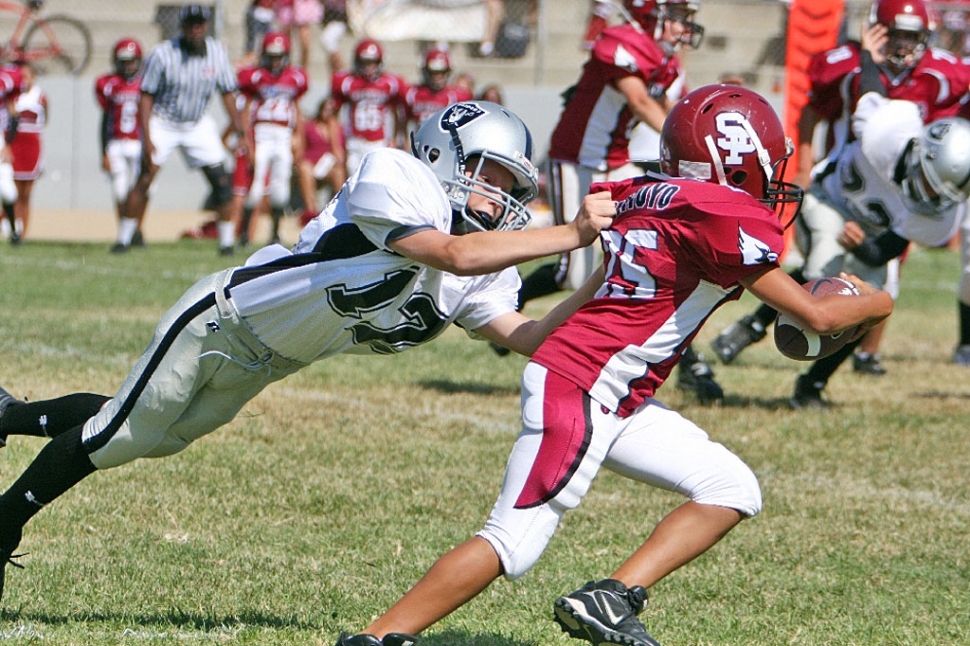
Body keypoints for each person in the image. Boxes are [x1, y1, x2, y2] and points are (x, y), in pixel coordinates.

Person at [333, 85, 892, 646]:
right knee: (514, 540)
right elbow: (815, 317)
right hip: (584, 386)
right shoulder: (718, 214)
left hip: (614, 390)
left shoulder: (642, 192)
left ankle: (611, 597)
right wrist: (878, 302)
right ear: (738, 161)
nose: (771, 183)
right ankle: (377, 637)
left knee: (730, 487)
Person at [0, 101, 616, 602]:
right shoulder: (398, 176)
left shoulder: (483, 264)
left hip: (274, 359)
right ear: (443, 154)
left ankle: (7, 416)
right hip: (226, 319)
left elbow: (529, 338)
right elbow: (450, 255)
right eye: (491, 176)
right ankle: (6, 520)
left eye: (509, 185)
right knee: (122, 435)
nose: (498, 198)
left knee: (152, 431)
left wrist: (602, 274)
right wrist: (570, 234)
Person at [710, 0, 970, 374]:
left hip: (903, 194)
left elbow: (883, 251)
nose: (901, 45)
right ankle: (760, 328)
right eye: (893, 34)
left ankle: (854, 359)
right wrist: (805, 164)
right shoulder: (863, 97)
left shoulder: (941, 76)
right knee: (823, 268)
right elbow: (815, 108)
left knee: (879, 286)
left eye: (911, 37)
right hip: (848, 182)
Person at [516, 0, 718, 402]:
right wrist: (692, 145)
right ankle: (511, 308)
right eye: (677, 15)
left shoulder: (665, 59)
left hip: (616, 163)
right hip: (577, 161)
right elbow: (641, 103)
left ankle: (690, 365)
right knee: (573, 275)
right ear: (650, 13)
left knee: (647, 260)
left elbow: (664, 106)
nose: (685, 26)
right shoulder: (618, 40)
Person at [782, 31, 970, 408]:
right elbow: (868, 93)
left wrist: (862, 245)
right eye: (931, 186)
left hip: (870, 228)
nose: (932, 199)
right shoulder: (888, 130)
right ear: (922, 156)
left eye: (944, 195)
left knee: (872, 302)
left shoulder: (941, 207)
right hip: (833, 199)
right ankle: (754, 323)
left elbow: (883, 250)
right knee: (821, 264)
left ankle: (813, 384)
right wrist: (867, 55)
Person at [120, 4, 245, 256]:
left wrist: (240, 130)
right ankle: (123, 238)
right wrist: (147, 137)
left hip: (197, 122)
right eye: (191, 24)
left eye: (200, 24)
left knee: (222, 180)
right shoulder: (164, 53)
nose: (195, 29)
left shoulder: (217, 54)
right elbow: (146, 96)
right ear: (183, 26)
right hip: (164, 121)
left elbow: (228, 92)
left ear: (206, 26)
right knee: (146, 176)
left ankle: (226, 243)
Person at [238, 31, 309, 245]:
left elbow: (297, 109)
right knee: (256, 184)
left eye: (279, 56)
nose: (276, 61)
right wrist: (246, 139)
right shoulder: (256, 76)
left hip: (283, 134)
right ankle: (243, 234)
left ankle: (275, 232)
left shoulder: (294, 77)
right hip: (261, 132)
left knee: (281, 185)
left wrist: (299, 137)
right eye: (272, 56)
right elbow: (246, 110)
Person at [96, 38, 146, 252]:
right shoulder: (109, 84)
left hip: (139, 143)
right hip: (116, 142)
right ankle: (125, 232)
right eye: (124, 61)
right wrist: (104, 151)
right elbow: (105, 119)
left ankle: (136, 231)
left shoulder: (146, 84)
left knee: (142, 190)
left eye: (131, 61)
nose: (128, 66)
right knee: (119, 192)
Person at [332, 38, 407, 174]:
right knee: (353, 181)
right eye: (364, 62)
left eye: (372, 62)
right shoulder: (348, 82)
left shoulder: (390, 83)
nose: (368, 67)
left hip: (379, 141)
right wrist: (337, 145)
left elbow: (399, 113)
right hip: (355, 141)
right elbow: (333, 116)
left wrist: (395, 139)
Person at [6, 62, 43, 240]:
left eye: (27, 76)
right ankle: (14, 228)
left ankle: (22, 233)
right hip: (13, 145)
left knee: (26, 194)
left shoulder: (41, 97)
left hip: (31, 147)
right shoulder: (11, 96)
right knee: (11, 191)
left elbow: (44, 120)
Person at [295, 95, 346, 225]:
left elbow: (338, 153)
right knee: (304, 168)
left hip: (327, 166)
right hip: (311, 163)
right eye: (325, 109)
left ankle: (340, 209)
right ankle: (310, 210)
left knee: (338, 172)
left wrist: (332, 130)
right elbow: (301, 145)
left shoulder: (338, 129)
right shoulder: (309, 126)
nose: (327, 113)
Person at [403, 47, 473, 133]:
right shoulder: (413, 93)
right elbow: (404, 120)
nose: (437, 77)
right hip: (419, 142)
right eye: (433, 72)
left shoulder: (457, 96)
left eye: (441, 72)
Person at [0, 62, 23, 245]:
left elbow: (13, 113)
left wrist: (7, 143)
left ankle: (14, 232)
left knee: (8, 192)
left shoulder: (6, 78)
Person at [276, 0, 323, 70]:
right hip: (287, 6)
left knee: (305, 43)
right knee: (286, 43)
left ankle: (303, 70)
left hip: (303, 5)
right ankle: (287, 69)